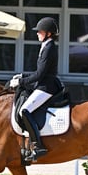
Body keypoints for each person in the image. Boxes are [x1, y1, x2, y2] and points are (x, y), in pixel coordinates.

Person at [9, 17, 62, 162]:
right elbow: (39, 71)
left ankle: (38, 146)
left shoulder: (49, 47)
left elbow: (40, 74)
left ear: (49, 34)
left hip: (46, 87)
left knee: (24, 111)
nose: (37, 33)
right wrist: (23, 75)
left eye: (40, 31)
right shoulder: (46, 45)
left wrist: (21, 81)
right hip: (43, 84)